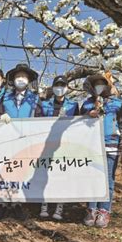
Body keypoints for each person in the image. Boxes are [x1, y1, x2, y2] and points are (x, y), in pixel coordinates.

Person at [80, 71, 122, 228]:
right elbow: (77, 124)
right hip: (91, 146)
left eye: (102, 84)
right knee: (92, 178)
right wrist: (88, 114)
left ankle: (104, 210)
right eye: (96, 84)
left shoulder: (117, 103)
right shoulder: (87, 104)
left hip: (111, 145)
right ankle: (91, 209)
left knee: (108, 179)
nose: (99, 87)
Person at [0, 63, 41, 221]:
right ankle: (2, 204)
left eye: (24, 76)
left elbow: (41, 118)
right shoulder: (5, 97)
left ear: (28, 80)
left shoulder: (35, 98)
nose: (21, 79)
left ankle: (17, 204)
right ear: (13, 80)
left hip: (26, 142)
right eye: (18, 76)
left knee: (21, 173)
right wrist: (0, 116)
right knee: (5, 172)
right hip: (7, 141)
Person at [36, 75, 80, 220]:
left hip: (65, 145)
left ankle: (59, 206)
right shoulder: (45, 104)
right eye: (57, 85)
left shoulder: (73, 105)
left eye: (63, 85)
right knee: (46, 174)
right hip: (47, 145)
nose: (60, 88)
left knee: (62, 175)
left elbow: (78, 125)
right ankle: (45, 204)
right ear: (53, 87)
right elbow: (38, 123)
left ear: (67, 87)